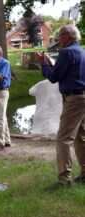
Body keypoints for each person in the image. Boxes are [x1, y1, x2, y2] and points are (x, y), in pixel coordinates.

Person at [36, 24, 85, 189]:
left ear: (69, 36)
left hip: (74, 100)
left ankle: (64, 180)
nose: (58, 39)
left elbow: (53, 77)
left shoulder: (66, 52)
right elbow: (69, 71)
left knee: (63, 139)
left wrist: (43, 63)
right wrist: (52, 63)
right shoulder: (82, 51)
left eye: (60, 35)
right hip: (83, 97)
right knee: (81, 137)